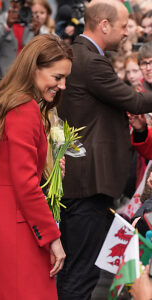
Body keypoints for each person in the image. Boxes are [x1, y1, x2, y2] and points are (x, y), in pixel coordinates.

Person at [56, 1, 152, 299]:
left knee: (77, 268)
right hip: (89, 183)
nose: (127, 33)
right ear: (104, 25)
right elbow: (135, 102)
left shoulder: (80, 54)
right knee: (82, 272)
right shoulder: (90, 60)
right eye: (123, 27)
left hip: (82, 179)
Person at [0, 34, 72, 300]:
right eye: (57, 77)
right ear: (34, 69)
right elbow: (25, 183)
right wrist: (53, 237)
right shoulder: (25, 110)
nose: (62, 85)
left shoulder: (1, 103)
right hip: (17, 227)